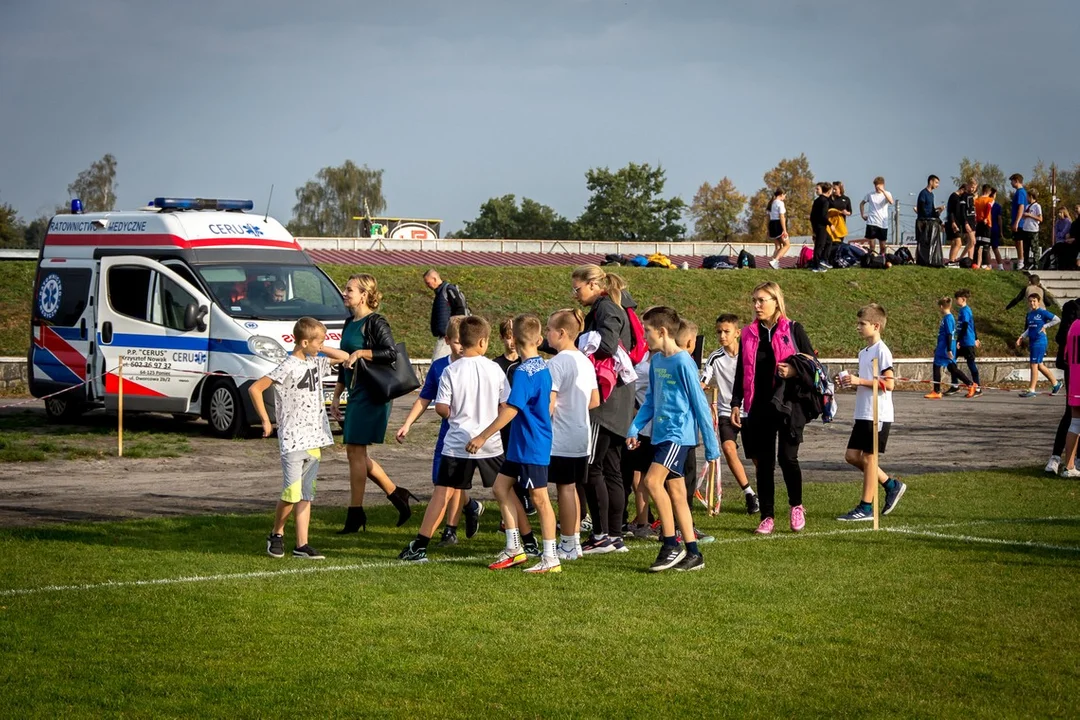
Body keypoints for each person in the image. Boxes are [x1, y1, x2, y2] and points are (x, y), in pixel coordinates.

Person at [398, 316, 509, 563]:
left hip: (458, 439)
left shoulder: (450, 370)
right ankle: (523, 542)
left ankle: (420, 546)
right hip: (489, 441)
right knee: (505, 492)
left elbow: (441, 407)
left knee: (443, 491)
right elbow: (506, 406)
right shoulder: (493, 368)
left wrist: (456, 414)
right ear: (483, 342)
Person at [252, 317, 362, 560]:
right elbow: (256, 388)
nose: (322, 345)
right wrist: (265, 420)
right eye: (319, 341)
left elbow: (345, 357)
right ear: (303, 342)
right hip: (293, 439)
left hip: (314, 438)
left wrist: (320, 346)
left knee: (305, 494)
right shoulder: (288, 366)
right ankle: (276, 534)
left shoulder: (315, 362)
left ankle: (302, 544)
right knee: (291, 493)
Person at [626, 307, 721, 572]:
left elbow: (700, 404)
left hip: (677, 435)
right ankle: (693, 553)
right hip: (660, 434)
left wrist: (712, 446)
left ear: (662, 331)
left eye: (646, 331)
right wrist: (634, 428)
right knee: (677, 493)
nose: (644, 337)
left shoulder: (682, 362)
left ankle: (670, 544)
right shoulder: (656, 361)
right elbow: (651, 401)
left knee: (652, 481)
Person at [466, 314, 560, 574]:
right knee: (500, 487)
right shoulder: (542, 367)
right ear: (539, 339)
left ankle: (551, 557)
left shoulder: (524, 372)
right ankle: (514, 548)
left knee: (539, 498)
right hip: (522, 444)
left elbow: (511, 409)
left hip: (532, 444)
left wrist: (483, 435)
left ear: (514, 340)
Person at [330, 274, 416, 534]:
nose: (345, 293)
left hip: (372, 394)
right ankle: (396, 494)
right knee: (355, 454)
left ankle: (355, 513)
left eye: (349, 290)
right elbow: (346, 365)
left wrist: (361, 352)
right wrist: (337, 395)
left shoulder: (376, 321)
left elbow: (390, 352)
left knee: (355, 452)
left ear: (364, 294)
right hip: (355, 393)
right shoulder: (349, 322)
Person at [730, 281, 817, 535]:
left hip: (789, 404)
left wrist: (793, 370)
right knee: (764, 463)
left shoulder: (794, 329)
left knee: (787, 458)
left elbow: (813, 366)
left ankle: (796, 505)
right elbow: (741, 371)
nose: (756, 305)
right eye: (754, 300)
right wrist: (737, 403)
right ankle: (767, 516)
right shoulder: (747, 333)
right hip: (758, 405)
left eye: (762, 300)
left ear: (776, 302)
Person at [571, 265, 636, 555]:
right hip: (618, 401)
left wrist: (578, 342)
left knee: (592, 467)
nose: (575, 294)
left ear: (594, 284)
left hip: (605, 401)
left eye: (578, 288)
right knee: (611, 470)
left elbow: (607, 346)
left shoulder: (606, 309)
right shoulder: (610, 306)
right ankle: (613, 535)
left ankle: (601, 536)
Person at [836, 304, 907, 521]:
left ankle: (866, 508)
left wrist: (860, 381)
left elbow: (889, 383)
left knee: (868, 458)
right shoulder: (864, 352)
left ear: (876, 326)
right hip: (863, 413)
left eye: (862, 324)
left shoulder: (882, 350)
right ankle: (891, 484)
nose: (858, 327)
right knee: (852, 456)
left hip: (878, 413)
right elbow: (870, 381)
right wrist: (852, 382)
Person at [545, 309, 600, 561]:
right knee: (574, 488)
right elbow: (594, 400)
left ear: (562, 333)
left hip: (563, 436)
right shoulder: (585, 360)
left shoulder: (557, 363)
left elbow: (549, 404)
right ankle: (574, 541)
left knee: (565, 489)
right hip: (582, 435)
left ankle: (567, 542)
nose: (546, 335)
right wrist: (575, 406)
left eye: (549, 330)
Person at [701, 314, 759, 515]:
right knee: (727, 447)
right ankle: (749, 493)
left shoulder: (750, 353)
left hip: (750, 410)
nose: (722, 336)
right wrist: (700, 387)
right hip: (726, 410)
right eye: (719, 332)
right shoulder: (715, 357)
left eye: (726, 331)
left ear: (737, 333)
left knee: (757, 456)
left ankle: (763, 495)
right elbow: (704, 378)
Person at [1046, 297, 1080, 474]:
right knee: (1072, 415)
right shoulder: (1072, 310)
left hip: (1073, 368)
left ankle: (1069, 462)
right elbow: (1062, 339)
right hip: (1074, 368)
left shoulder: (1072, 319)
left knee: (1073, 416)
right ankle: (1060, 459)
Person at [925, 297, 974, 399]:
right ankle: (970, 384)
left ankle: (937, 391)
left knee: (936, 366)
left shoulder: (948, 318)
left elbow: (949, 335)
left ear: (942, 307)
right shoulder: (948, 318)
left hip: (945, 346)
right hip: (944, 345)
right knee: (952, 368)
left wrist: (948, 349)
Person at [1015, 293, 1062, 398]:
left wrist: (1045, 326)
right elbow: (1029, 328)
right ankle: (1056, 383)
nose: (1032, 303)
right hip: (1032, 341)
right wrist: (1021, 337)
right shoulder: (1030, 314)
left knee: (1034, 364)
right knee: (1039, 365)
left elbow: (1057, 319)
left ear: (1038, 301)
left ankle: (1031, 389)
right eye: (1030, 301)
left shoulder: (1042, 312)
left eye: (1034, 301)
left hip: (1040, 341)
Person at [424, 269, 469, 360]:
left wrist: (456, 328)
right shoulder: (440, 293)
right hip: (446, 334)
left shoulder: (448, 290)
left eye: (428, 283)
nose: (427, 286)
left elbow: (460, 308)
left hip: (449, 335)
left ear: (435, 279)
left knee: (436, 361)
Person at [1055, 314, 1080, 478]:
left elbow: (1065, 355)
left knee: (1075, 423)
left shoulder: (1074, 326)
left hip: (1075, 379)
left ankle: (1070, 466)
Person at [954, 289, 982, 397]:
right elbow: (972, 325)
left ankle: (978, 387)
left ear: (963, 299)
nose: (956, 301)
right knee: (952, 362)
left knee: (971, 364)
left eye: (958, 299)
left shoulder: (966, 310)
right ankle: (955, 385)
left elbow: (966, 326)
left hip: (966, 341)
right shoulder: (962, 310)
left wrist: (960, 340)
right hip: (963, 340)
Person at [860, 176, 894, 255]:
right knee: (872, 246)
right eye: (875, 186)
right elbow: (862, 204)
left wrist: (882, 191)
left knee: (882, 246)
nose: (876, 187)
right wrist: (862, 215)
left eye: (878, 185)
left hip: (882, 223)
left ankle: (882, 259)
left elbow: (891, 201)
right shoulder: (870, 194)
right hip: (872, 222)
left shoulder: (887, 194)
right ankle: (871, 259)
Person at [810, 182, 834, 273]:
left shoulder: (817, 200)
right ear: (828, 191)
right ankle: (816, 266)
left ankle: (824, 260)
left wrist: (813, 228)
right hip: (821, 226)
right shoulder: (825, 201)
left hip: (816, 226)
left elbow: (812, 216)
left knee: (829, 241)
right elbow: (823, 216)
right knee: (819, 246)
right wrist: (830, 224)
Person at [1010, 174, 1032, 270]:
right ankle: (1020, 261)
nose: (1011, 183)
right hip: (1017, 221)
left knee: (1019, 241)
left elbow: (1021, 207)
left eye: (1012, 181)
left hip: (1020, 223)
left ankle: (1021, 262)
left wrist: (1017, 222)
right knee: (1016, 241)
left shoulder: (1021, 192)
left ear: (1016, 181)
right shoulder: (1019, 192)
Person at [945, 181, 970, 264]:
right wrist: (953, 222)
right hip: (954, 223)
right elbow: (951, 211)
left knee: (954, 243)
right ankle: (952, 261)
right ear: (962, 189)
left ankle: (951, 260)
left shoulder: (958, 198)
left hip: (956, 223)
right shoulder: (954, 197)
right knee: (958, 243)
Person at [827, 182, 851, 263]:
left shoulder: (846, 199)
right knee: (831, 242)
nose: (834, 191)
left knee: (839, 242)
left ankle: (837, 259)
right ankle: (829, 259)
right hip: (831, 224)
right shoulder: (830, 199)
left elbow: (850, 212)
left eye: (835, 189)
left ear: (840, 189)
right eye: (833, 189)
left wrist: (846, 212)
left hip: (841, 225)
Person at [767, 189, 789, 270]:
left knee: (778, 246)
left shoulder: (771, 203)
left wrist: (768, 229)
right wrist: (784, 230)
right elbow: (782, 217)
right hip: (778, 224)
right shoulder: (780, 203)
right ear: (781, 194)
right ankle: (775, 261)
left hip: (772, 225)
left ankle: (773, 264)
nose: (785, 197)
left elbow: (768, 218)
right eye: (785, 195)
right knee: (787, 245)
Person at [973, 185, 994, 270]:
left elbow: (974, 210)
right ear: (989, 192)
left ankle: (975, 263)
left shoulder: (977, 200)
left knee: (978, 244)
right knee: (986, 244)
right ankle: (985, 264)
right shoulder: (990, 200)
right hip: (986, 223)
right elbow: (989, 207)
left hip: (978, 223)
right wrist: (985, 217)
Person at [988, 188, 1006, 270]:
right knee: (995, 248)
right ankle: (1000, 266)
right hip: (995, 228)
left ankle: (989, 265)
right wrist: (1001, 231)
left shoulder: (986, 204)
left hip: (988, 228)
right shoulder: (997, 206)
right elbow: (999, 219)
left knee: (987, 248)